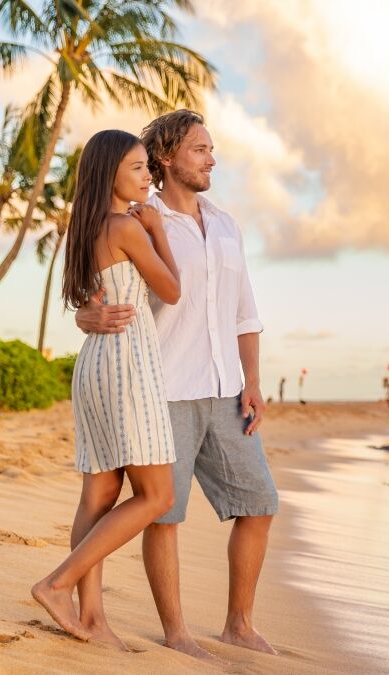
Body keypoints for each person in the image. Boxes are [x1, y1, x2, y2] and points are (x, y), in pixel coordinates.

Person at [75, 110, 278, 659]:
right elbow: (95, 284)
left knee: (258, 503)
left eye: (211, 149)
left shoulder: (227, 223)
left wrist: (253, 380)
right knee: (164, 513)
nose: (212, 158)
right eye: (199, 149)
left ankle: (239, 622)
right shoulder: (139, 213)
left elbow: (244, 312)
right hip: (161, 386)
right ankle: (177, 633)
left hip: (226, 388)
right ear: (165, 157)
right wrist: (85, 317)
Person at [32, 130, 180, 646]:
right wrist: (159, 230)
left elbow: (90, 299)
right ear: (110, 173)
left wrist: (84, 317)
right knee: (157, 495)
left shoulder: (87, 227)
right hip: (128, 366)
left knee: (99, 493)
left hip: (95, 365)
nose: (148, 177)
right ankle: (58, 583)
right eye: (138, 168)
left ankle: (92, 617)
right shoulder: (126, 226)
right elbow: (171, 289)